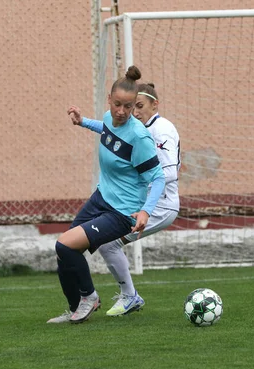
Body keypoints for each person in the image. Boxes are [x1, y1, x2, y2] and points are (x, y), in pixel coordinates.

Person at [47, 66, 165, 324]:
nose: (121, 112)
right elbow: (107, 129)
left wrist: (145, 212)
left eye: (128, 106)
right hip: (101, 198)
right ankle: (76, 307)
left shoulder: (139, 137)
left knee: (64, 244)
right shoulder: (109, 118)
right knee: (65, 252)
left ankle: (89, 296)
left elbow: (157, 178)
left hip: (121, 212)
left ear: (135, 105)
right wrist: (83, 122)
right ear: (109, 100)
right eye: (117, 105)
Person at [68, 82, 181, 317]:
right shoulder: (134, 126)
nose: (133, 111)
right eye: (131, 106)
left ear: (155, 104)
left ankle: (128, 296)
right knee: (93, 241)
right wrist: (84, 122)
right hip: (138, 200)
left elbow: (168, 173)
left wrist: (137, 180)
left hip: (160, 203)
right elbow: (109, 130)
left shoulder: (162, 129)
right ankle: (123, 296)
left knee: (109, 243)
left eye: (137, 106)